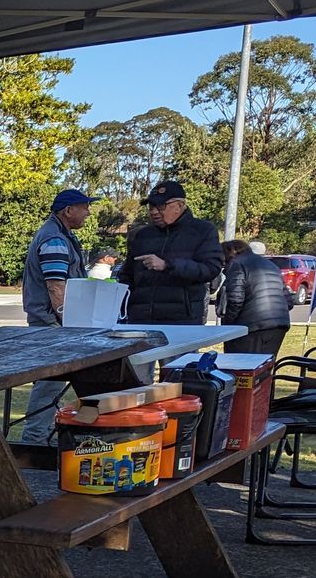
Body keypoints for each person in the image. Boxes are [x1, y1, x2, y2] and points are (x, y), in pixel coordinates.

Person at [17, 188, 99, 443]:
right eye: (84, 207)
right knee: (50, 381)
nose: (88, 213)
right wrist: (68, 319)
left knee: (55, 381)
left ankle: (45, 434)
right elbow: (56, 286)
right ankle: (35, 439)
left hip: (50, 321)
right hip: (51, 323)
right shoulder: (55, 240)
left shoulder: (58, 235)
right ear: (68, 210)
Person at [118, 179, 224, 325]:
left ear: (180, 205)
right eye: (151, 206)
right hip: (140, 320)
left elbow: (211, 269)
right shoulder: (142, 235)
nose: (154, 212)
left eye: (161, 206)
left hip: (182, 321)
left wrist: (167, 265)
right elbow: (127, 275)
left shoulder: (202, 231)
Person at [217, 238, 291, 356]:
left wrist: (228, 325)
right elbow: (288, 301)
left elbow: (235, 299)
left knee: (242, 365)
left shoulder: (237, 264)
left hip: (251, 327)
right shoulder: (271, 265)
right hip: (279, 324)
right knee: (265, 365)